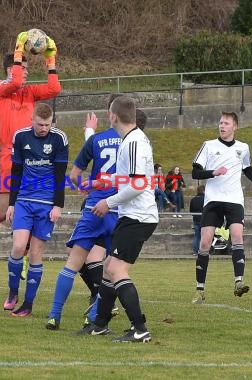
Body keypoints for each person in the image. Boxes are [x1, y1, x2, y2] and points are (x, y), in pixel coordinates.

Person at [0, 31, 61, 259]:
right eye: (21, 66)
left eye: (27, 68)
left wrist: (51, 60)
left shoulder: (29, 93)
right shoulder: (0, 89)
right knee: (2, 210)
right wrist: (19, 49)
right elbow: (17, 80)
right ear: (9, 70)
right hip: (7, 155)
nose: (25, 72)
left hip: (31, 156)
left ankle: (21, 255)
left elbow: (54, 89)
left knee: (30, 205)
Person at [78, 95, 158, 343]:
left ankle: (140, 328)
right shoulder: (131, 140)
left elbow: (137, 185)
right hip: (132, 214)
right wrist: (104, 181)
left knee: (116, 269)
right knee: (107, 269)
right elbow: (129, 178)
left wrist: (107, 202)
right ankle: (99, 324)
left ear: (113, 116)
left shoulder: (133, 143)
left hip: (138, 216)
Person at [45, 98, 124, 331]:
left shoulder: (97, 140)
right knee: (113, 270)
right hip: (118, 210)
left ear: (111, 115)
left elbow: (73, 176)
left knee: (72, 262)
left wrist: (85, 185)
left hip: (93, 208)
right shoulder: (135, 142)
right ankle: (95, 314)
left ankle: (54, 316)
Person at [191, 111, 252, 304]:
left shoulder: (243, 147)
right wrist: (213, 172)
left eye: (226, 123)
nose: (222, 126)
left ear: (235, 127)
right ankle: (200, 290)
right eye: (220, 122)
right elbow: (195, 172)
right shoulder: (208, 145)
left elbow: (246, 168)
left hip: (234, 199)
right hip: (213, 200)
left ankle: (239, 283)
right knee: (205, 243)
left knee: (237, 236)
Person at [3, 103, 68, 317]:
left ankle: (28, 305)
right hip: (23, 200)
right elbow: (16, 171)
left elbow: (60, 175)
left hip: (47, 204)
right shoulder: (21, 137)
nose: (44, 129)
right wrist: (12, 203)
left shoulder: (59, 139)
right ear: (32, 120)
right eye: (40, 124)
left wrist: (58, 204)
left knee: (36, 252)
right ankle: (13, 292)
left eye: (47, 125)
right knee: (18, 246)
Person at [189, 185, 205, 256]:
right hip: (204, 219)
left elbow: (191, 210)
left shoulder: (193, 199)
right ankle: (203, 250)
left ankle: (195, 251)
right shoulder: (205, 199)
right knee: (204, 236)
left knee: (197, 235)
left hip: (195, 219)